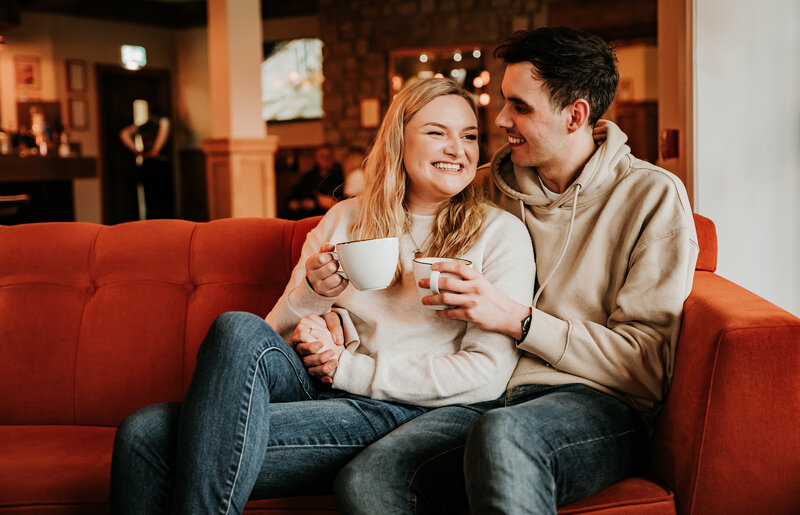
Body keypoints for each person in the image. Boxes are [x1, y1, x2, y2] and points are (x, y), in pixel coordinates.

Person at [109, 78, 535, 514]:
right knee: (231, 331)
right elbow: (268, 339)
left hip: (403, 408)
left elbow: (488, 376)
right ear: (398, 140)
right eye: (436, 133)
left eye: (468, 136)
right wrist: (312, 295)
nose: (457, 149)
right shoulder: (344, 219)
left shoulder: (499, 234)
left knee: (148, 439)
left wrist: (349, 368)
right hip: (317, 387)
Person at [332, 27, 699, 514]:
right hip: (485, 397)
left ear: (576, 115)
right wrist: (336, 308)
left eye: (520, 107)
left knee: (505, 435)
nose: (499, 119)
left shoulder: (651, 197)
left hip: (596, 405)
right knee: (368, 478)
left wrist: (519, 321)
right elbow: (396, 235)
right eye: (503, 101)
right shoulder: (481, 189)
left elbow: (646, 366)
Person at [119, 111, 174, 219]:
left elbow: (124, 133)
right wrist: (155, 150)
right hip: (157, 163)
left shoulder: (145, 125)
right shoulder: (162, 121)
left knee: (152, 199)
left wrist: (136, 150)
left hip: (149, 163)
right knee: (160, 199)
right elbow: (163, 134)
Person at [286, 144, 345, 219]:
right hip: (309, 217)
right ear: (316, 158)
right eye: (322, 156)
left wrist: (329, 203)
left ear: (332, 158)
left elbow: (343, 204)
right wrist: (302, 204)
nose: (325, 159)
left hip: (331, 217)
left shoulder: (340, 177)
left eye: (328, 156)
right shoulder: (307, 177)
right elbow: (291, 202)